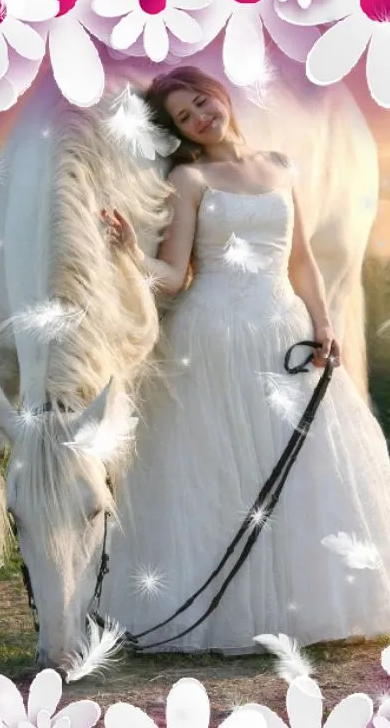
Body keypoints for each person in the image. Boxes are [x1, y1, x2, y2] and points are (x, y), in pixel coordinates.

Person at [102, 66, 390, 653]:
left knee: (304, 472)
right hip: (213, 338)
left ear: (219, 95)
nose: (200, 117)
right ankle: (225, 614)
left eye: (201, 102)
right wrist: (132, 253)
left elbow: (301, 259)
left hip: (283, 328)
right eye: (184, 117)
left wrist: (324, 322)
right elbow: (176, 278)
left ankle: (304, 607)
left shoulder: (281, 166)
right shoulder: (190, 179)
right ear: (180, 132)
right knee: (219, 472)